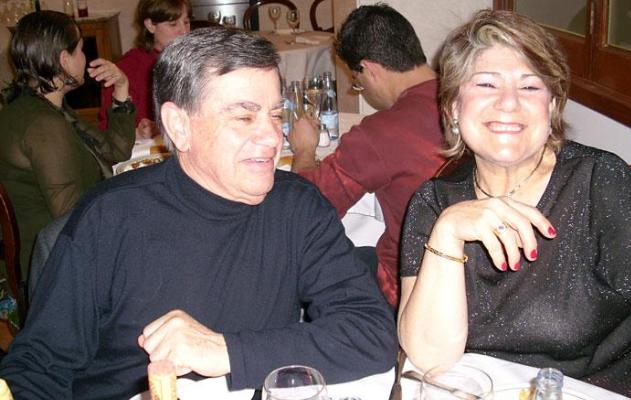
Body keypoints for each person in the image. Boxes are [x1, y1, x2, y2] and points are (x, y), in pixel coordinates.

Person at [0, 27, 397, 399]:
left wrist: (223, 351)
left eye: (276, 114)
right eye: (244, 117)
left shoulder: (296, 207)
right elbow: (37, 369)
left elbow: (371, 333)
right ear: (179, 125)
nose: (273, 136)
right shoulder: (110, 218)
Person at [397, 9, 631, 400]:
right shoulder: (433, 204)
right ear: (452, 107)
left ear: (551, 108)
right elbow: (429, 358)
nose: (509, 103)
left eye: (530, 87)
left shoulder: (599, 184)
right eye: (486, 83)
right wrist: (447, 232)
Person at [288, 4, 446, 308]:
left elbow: (309, 205)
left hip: (410, 291)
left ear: (369, 69)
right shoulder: (469, 98)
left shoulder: (381, 133)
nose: (360, 89)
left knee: (312, 269)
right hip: (476, 281)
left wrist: (304, 149)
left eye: (357, 82)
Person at [0, 11, 134, 285]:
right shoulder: (43, 125)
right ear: (64, 59)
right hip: (53, 272)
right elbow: (73, 221)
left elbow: (115, 151)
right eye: (80, 50)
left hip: (61, 253)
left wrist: (121, 87)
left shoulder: (42, 106)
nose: (84, 57)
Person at [98, 0, 190, 139]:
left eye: (187, 22)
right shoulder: (129, 67)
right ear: (150, 25)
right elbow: (107, 130)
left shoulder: (193, 60)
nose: (184, 31)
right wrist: (138, 132)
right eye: (173, 24)